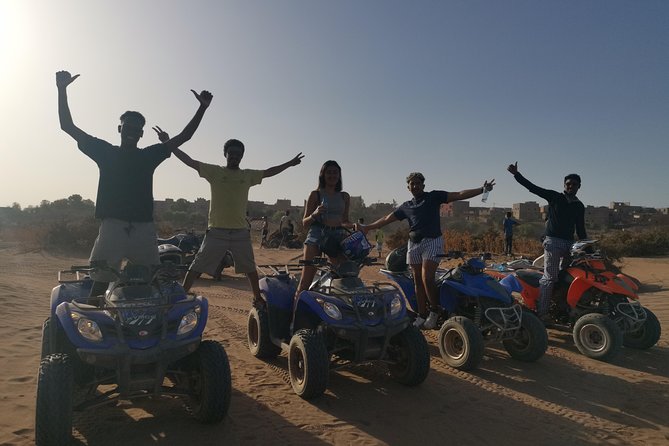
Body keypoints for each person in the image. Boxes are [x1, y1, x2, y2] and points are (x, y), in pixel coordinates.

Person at [56, 70, 212, 292]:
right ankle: (95, 323)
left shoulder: (149, 156)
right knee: (100, 282)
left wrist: (202, 108)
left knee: (151, 282)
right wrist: (62, 90)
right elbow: (67, 126)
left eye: (136, 130)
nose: (131, 132)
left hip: (143, 229)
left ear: (141, 134)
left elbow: (185, 136)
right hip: (112, 227)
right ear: (120, 129)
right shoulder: (104, 152)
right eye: (127, 127)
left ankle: (155, 326)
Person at [154, 128, 303, 303]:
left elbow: (269, 171)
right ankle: (181, 296)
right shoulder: (214, 172)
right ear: (225, 154)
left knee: (250, 268)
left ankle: (257, 298)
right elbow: (190, 161)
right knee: (197, 266)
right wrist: (169, 143)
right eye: (231, 153)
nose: (234, 156)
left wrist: (289, 163)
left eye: (238, 154)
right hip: (216, 231)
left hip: (240, 232)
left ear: (242, 156)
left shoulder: (247, 175)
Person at [358, 172, 495, 329]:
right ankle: (421, 314)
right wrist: (368, 227)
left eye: (418, 183)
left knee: (426, 277)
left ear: (423, 185)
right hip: (414, 244)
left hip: (433, 241)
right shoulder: (406, 206)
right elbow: (386, 219)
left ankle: (434, 311)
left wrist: (482, 189)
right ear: (408, 187)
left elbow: (458, 195)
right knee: (416, 280)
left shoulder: (433, 197)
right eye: (412, 183)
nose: (415, 186)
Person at [507, 162, 586, 321]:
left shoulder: (579, 206)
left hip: (570, 244)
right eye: (568, 184)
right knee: (550, 278)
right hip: (553, 242)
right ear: (564, 185)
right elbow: (533, 188)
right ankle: (542, 313)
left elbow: (581, 228)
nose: (570, 186)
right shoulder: (555, 197)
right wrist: (517, 174)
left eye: (574, 184)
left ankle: (562, 307)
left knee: (568, 276)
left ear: (579, 186)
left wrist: (587, 247)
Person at [294, 160, 354, 299]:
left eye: (335, 173)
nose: (332, 175)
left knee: (344, 278)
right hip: (317, 236)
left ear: (339, 175)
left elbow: (345, 221)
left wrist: (356, 226)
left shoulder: (344, 196)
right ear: (323, 175)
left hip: (338, 237)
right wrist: (314, 214)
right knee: (305, 281)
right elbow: (304, 223)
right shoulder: (315, 194)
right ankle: (295, 317)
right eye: (329, 172)